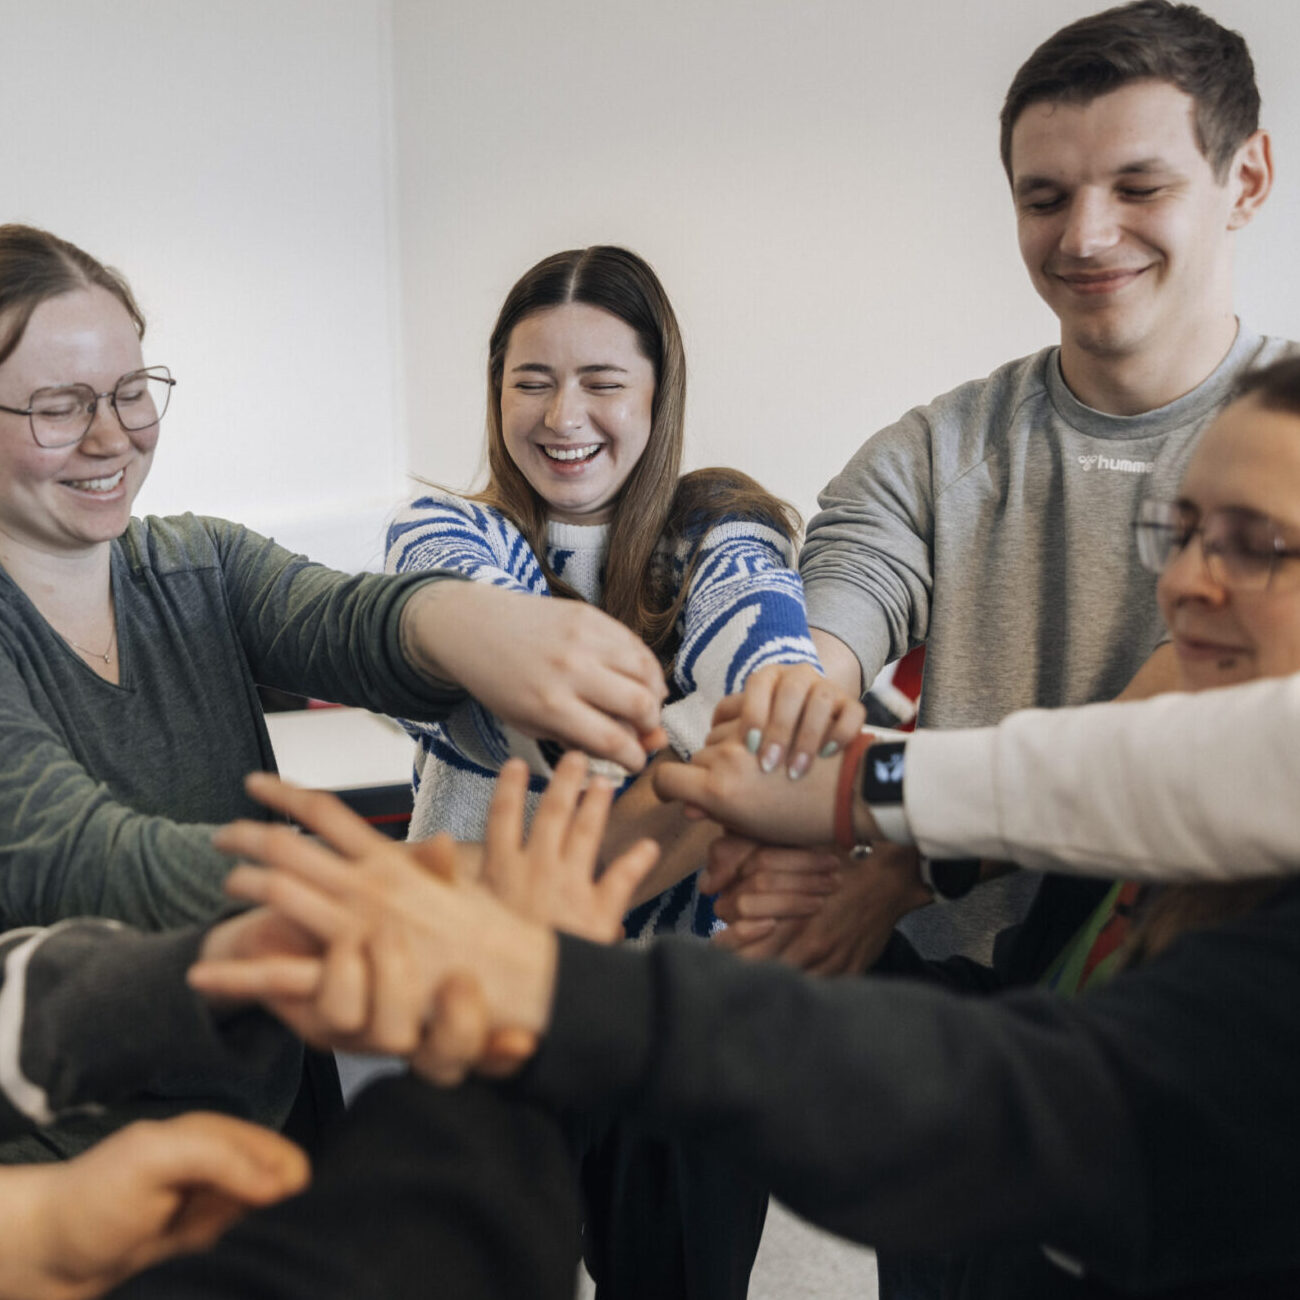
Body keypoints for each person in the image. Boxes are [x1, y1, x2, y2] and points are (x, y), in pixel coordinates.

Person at [194, 357, 1300, 1299]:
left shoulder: (717, 532)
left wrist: (555, 980)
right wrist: (845, 848)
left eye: (1259, 546)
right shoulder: (1184, 797)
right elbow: (1058, 812)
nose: (1185, 586)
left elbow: (1010, 1101)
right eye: (1182, 532)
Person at [0, 223, 667, 1164]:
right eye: (59, 406)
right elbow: (88, 862)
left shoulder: (196, 562)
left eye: (131, 391)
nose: (112, 436)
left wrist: (467, 621)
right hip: (67, 1169)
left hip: (274, 1095)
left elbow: (341, 620)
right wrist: (438, 889)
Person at [728, 0, 1298, 979]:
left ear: (1244, 179)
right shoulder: (931, 453)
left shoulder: (1283, 449)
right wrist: (779, 769)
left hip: (1187, 997)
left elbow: (1148, 741)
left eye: (1138, 187)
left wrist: (903, 854)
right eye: (1044, 199)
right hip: (934, 997)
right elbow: (811, 666)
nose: (1086, 236)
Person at [385, 245, 832, 940]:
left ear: (659, 392)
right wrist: (694, 746)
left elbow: (769, 708)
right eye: (532, 383)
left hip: (681, 987)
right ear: (497, 392)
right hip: (473, 964)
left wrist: (738, 739)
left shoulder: (724, 527)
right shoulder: (442, 531)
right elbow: (530, 707)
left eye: (602, 383)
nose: (563, 417)